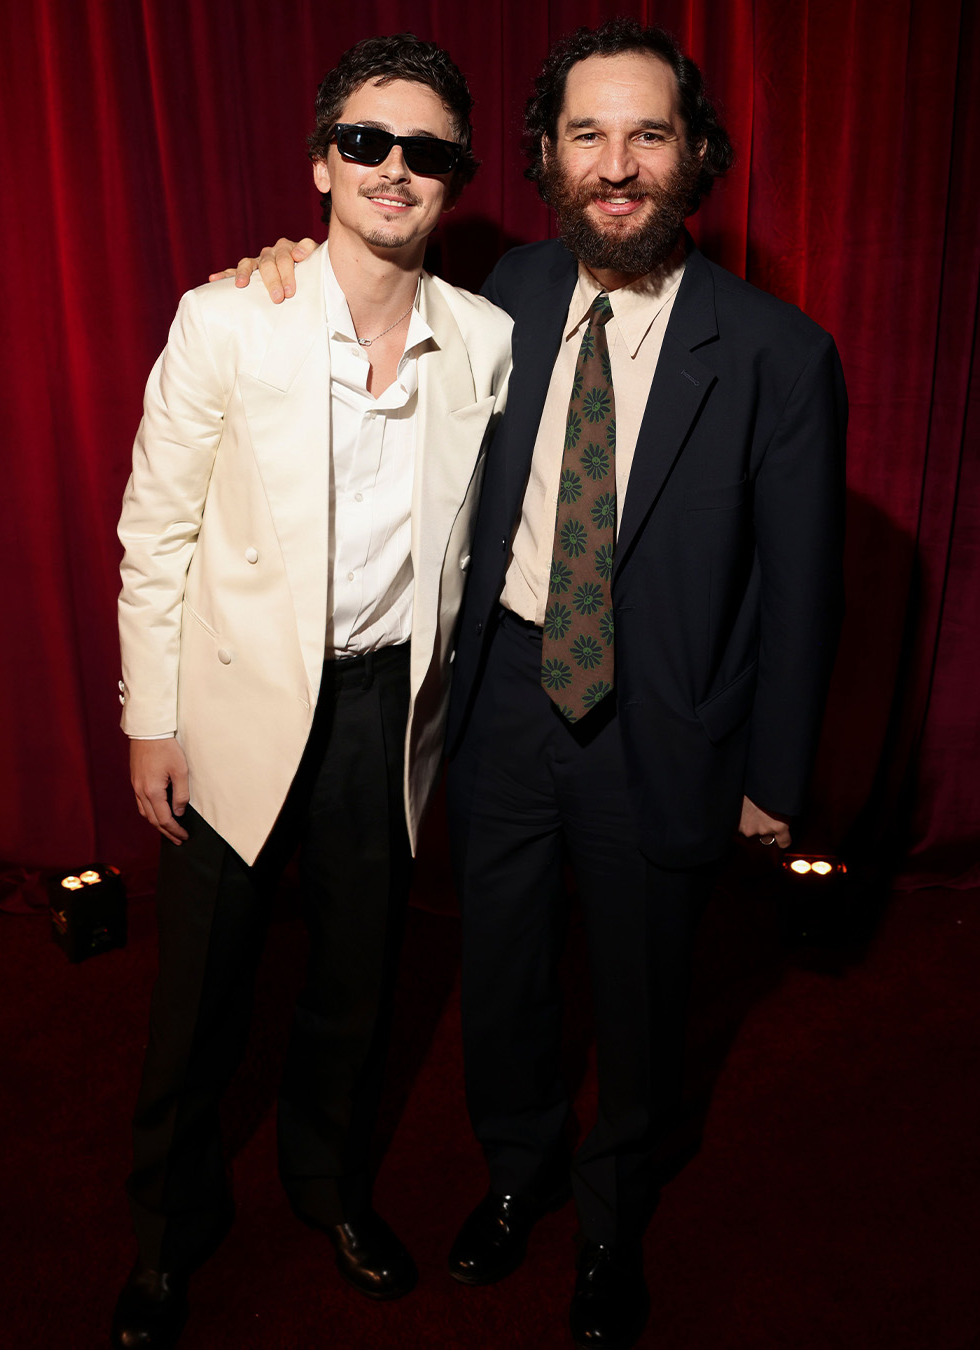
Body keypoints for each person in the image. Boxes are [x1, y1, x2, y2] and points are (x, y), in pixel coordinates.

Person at [238, 18, 846, 1348]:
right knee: (501, 964)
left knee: (641, 990)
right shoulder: (503, 289)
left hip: (666, 725)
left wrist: (774, 775)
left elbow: (805, 588)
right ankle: (517, 1172)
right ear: (548, 158)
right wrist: (285, 268)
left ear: (695, 157)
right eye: (587, 134)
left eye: (647, 134)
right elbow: (355, 325)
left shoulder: (777, 355)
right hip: (505, 694)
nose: (617, 163)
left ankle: (615, 1212)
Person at [112, 33, 511, 1349]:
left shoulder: (488, 340)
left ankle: (325, 1186)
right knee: (200, 997)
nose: (396, 168)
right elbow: (154, 532)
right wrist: (149, 718)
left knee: (356, 976)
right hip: (231, 709)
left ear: (454, 179)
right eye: (367, 141)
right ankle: (168, 1232)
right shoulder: (229, 317)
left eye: (428, 150)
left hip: (387, 714)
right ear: (322, 165)